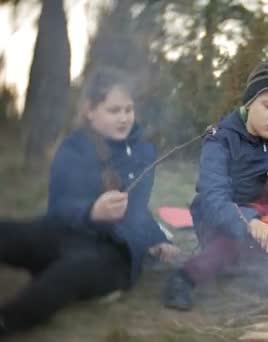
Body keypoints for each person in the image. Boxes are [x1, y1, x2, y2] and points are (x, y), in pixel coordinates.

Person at [0, 67, 178, 336]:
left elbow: (139, 209)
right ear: (90, 111)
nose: (124, 118)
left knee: (71, 271)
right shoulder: (73, 147)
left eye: (128, 109)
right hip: (68, 234)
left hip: (114, 254)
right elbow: (59, 207)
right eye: (113, 110)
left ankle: (9, 320)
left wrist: (156, 239)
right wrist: (91, 211)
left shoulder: (143, 151)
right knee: (13, 233)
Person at [163, 63, 268, 311]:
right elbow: (213, 196)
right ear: (249, 103)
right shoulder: (222, 138)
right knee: (229, 242)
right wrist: (249, 220)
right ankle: (185, 277)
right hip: (225, 219)